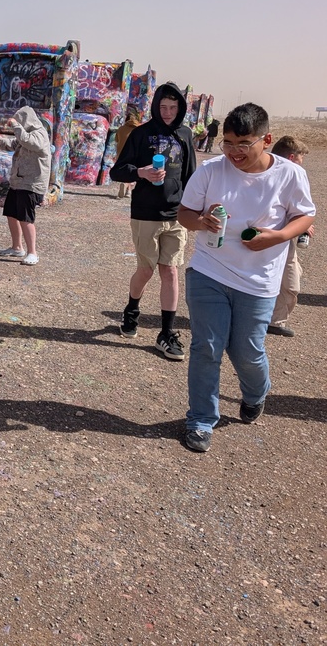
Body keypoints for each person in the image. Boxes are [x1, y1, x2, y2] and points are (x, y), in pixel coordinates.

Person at [176, 104, 315, 453]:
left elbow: (305, 216)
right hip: (209, 270)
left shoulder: (289, 175)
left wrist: (278, 237)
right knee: (206, 347)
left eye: (244, 144)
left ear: (266, 140)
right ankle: (201, 419)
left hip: (259, 281)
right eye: (228, 143)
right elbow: (184, 213)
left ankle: (256, 392)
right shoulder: (211, 171)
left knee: (247, 352)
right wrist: (200, 222)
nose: (234, 152)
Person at [110, 82, 197, 360]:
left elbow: (191, 177)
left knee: (170, 271)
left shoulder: (185, 135)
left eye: (173, 107)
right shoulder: (141, 134)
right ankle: (132, 310)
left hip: (176, 215)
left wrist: (195, 207)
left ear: (180, 108)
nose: (168, 112)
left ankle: (167, 333)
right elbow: (118, 171)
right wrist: (142, 172)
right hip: (146, 214)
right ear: (156, 107)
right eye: (163, 107)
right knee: (146, 271)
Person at [0, 106, 51, 265]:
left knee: (25, 218)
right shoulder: (24, 135)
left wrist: (16, 126)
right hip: (18, 181)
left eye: (20, 120)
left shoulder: (39, 134)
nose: (17, 123)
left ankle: (32, 253)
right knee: (11, 214)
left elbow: (30, 143)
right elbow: (12, 144)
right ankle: (17, 247)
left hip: (31, 184)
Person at [267, 135, 313, 337]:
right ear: (292, 157)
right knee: (290, 284)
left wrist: (302, 222)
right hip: (273, 239)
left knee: (292, 279)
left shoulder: (280, 173)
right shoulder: (286, 174)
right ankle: (272, 320)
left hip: (280, 239)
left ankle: (272, 320)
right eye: (301, 159)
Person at [113, 107, 143, 199]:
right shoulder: (140, 129)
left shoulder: (121, 128)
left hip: (121, 152)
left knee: (126, 170)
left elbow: (116, 139)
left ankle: (127, 187)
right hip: (135, 153)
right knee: (132, 171)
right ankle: (128, 189)